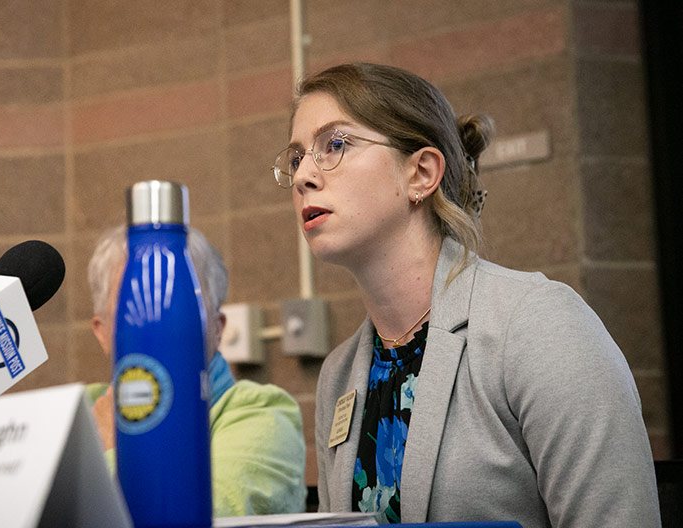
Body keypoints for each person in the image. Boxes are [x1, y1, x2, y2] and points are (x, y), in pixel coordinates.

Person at [273, 62, 661, 527]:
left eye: (335, 144)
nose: (303, 176)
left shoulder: (538, 325)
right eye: (296, 159)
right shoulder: (339, 373)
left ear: (421, 173)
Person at [87, 225, 307, 516]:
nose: (157, 319)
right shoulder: (77, 408)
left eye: (180, 301)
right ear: (102, 332)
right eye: (133, 305)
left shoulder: (261, 415)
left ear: (217, 328)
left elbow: (193, 518)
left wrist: (111, 451)